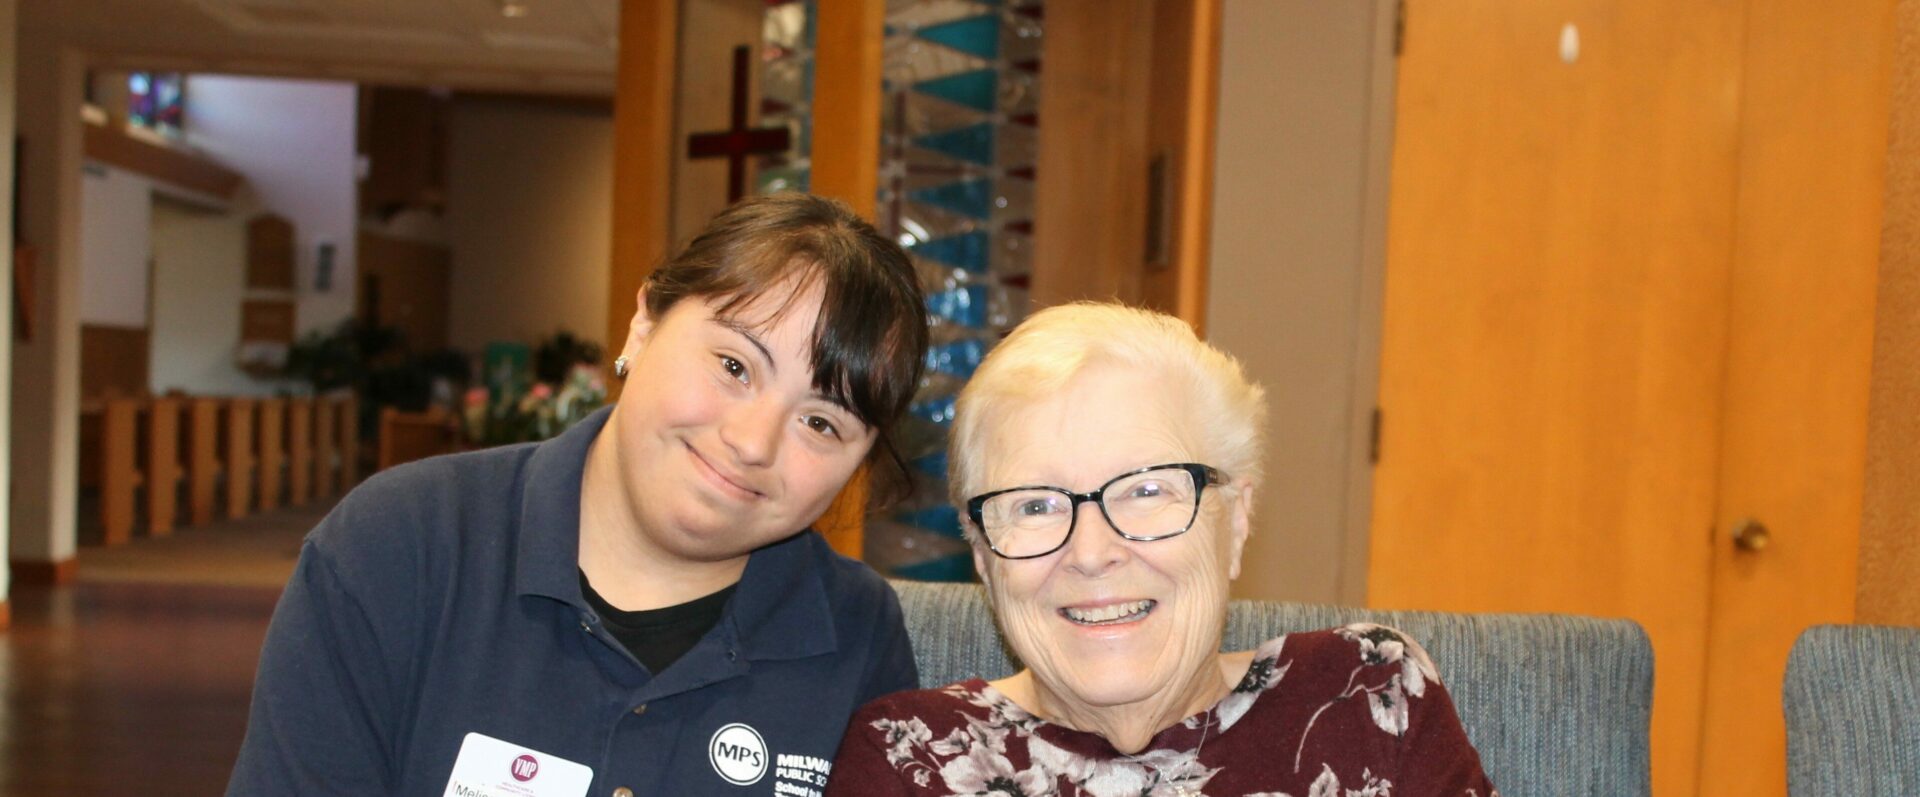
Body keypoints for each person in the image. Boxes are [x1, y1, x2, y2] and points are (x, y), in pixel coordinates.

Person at [229, 194, 930, 796]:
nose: (753, 441)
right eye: (734, 364)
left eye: (820, 421)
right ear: (645, 323)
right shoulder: (403, 544)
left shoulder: (858, 635)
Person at [827, 303, 1496, 796]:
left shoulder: (1369, 693)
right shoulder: (909, 756)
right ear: (981, 552)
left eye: (1146, 490)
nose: (1091, 551)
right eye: (1035, 504)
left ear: (1235, 520)